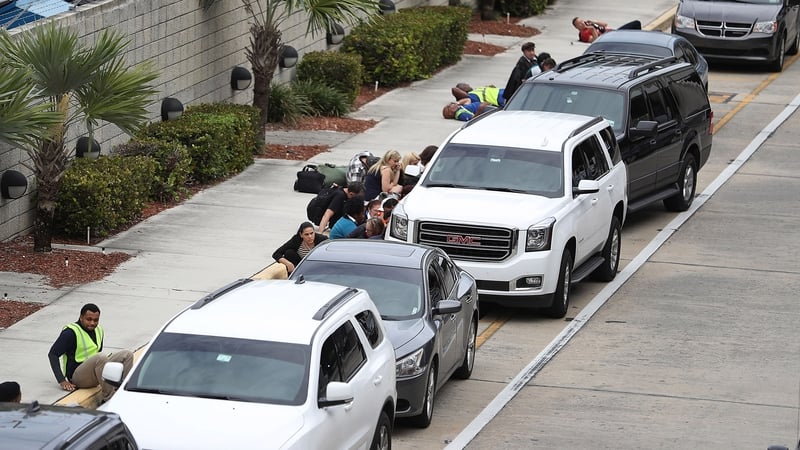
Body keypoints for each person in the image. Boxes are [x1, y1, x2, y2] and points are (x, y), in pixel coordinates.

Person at [47, 303, 134, 402]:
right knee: (101, 357)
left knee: (127, 354)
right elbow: (53, 354)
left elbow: (97, 352)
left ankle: (124, 391)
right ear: (81, 317)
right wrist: (62, 381)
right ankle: (109, 399)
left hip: (94, 370)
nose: (92, 323)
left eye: (95, 320)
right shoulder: (70, 333)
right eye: (89, 319)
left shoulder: (99, 330)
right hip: (78, 376)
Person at [572, 17, 642, 43]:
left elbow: (605, 24)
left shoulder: (589, 25)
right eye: (579, 23)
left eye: (582, 21)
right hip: (611, 37)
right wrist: (592, 29)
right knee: (636, 23)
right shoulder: (584, 34)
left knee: (634, 27)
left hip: (614, 32)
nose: (582, 23)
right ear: (576, 27)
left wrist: (594, 22)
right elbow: (595, 40)